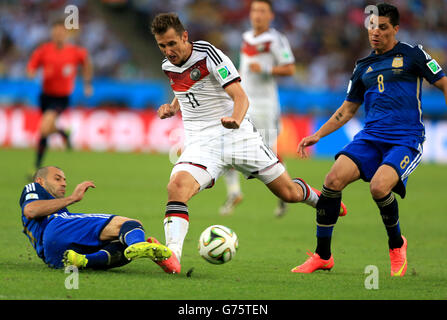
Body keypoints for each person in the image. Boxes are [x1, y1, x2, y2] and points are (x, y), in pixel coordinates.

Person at [150, 13, 347, 274]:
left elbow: (241, 96)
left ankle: (318, 198)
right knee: (177, 187)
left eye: (172, 43)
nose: (168, 51)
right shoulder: (167, 66)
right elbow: (183, 89)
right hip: (201, 143)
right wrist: (172, 107)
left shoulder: (209, 54)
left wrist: (235, 118)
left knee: (287, 193)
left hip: (238, 136)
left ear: (185, 36)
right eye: (162, 46)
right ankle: (172, 255)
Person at [294, 3, 447, 276]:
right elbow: (347, 109)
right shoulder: (362, 66)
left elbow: (444, 83)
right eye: (372, 27)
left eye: (383, 28)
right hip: (371, 137)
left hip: (405, 139)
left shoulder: (414, 54)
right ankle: (322, 256)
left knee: (378, 187)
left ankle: (397, 244)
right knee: (332, 180)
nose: (375, 33)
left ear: (396, 29)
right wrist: (317, 134)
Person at [220, 0, 296, 217]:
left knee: (268, 153)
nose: (257, 15)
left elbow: (290, 68)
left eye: (262, 11)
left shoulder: (276, 39)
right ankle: (234, 192)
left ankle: (285, 192)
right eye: (254, 10)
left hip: (265, 105)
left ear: (271, 15)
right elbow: (242, 68)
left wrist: (265, 68)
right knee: (227, 142)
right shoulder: (246, 37)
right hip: (243, 101)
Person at [19, 166, 172, 269]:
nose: (64, 183)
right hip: (57, 227)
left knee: (123, 246)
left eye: (65, 180)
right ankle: (139, 244)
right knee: (130, 224)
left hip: (54, 257)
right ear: (40, 181)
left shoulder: (55, 204)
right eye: (57, 179)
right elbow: (31, 211)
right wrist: (72, 198)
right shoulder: (34, 188)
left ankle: (82, 260)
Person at [27, 19, 93, 176]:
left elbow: (86, 64)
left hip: (61, 98)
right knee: (47, 128)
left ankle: (36, 167)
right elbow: (31, 67)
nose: (58, 35)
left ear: (66, 34)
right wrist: (31, 73)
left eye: (61, 32)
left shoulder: (75, 52)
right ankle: (64, 133)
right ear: (52, 33)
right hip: (45, 96)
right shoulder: (43, 50)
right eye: (56, 32)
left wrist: (87, 84)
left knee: (44, 128)